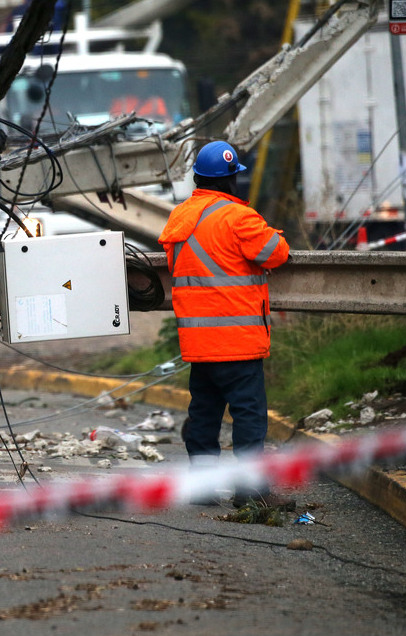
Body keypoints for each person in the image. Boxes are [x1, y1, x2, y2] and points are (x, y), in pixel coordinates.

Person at [158, 140, 292, 508]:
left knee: (204, 412)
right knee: (249, 416)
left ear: (199, 179)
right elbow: (276, 254)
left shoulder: (179, 218)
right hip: (236, 340)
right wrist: (276, 234)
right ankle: (251, 492)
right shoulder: (239, 218)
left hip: (199, 343)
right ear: (231, 180)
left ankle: (203, 486)